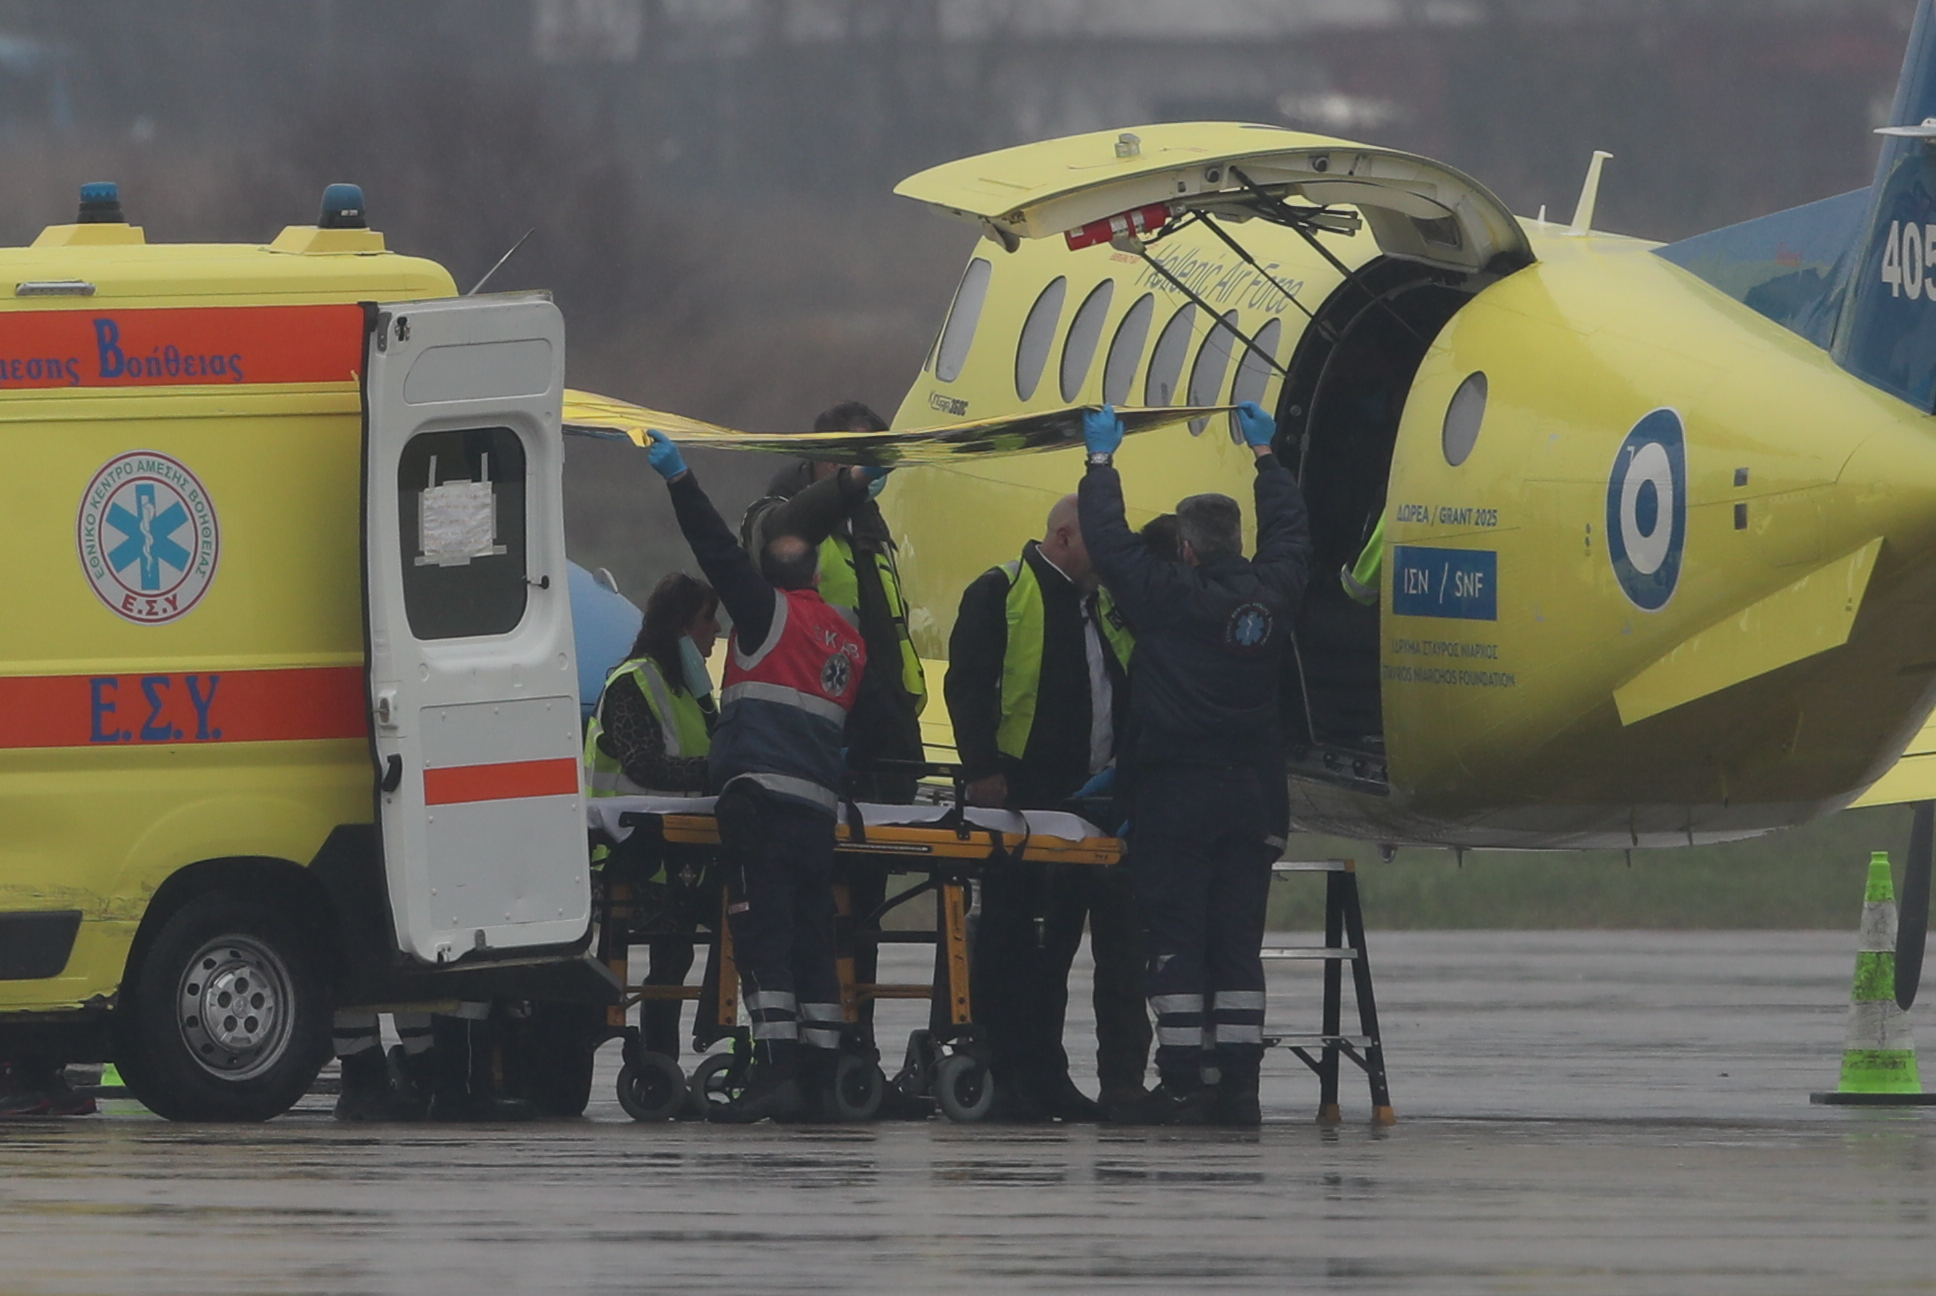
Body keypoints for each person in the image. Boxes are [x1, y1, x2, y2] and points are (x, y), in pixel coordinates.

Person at [1076, 399, 1312, 1127]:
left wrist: (1101, 464)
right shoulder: (1272, 596)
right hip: (1252, 801)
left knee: (1178, 945)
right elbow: (1292, 538)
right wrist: (1267, 461)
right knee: (1237, 946)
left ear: (1184, 547)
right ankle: (1237, 1086)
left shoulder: (1168, 600)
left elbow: (1109, 545)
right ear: (1235, 541)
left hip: (1178, 802)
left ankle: (1184, 1081)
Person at [646, 427, 869, 1123]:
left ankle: (776, 1070)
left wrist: (680, 478)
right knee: (812, 942)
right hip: (814, 814)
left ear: (770, 571)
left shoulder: (764, 611)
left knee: (763, 940)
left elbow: (713, 545)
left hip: (760, 808)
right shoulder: (849, 638)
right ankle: (823, 1073)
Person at [945, 494, 1150, 1122]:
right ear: (1062, 537)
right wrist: (982, 769)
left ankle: (1052, 1075)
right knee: (1013, 944)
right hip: (1023, 803)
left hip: (1092, 806)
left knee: (1064, 946)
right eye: (1098, 540)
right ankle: (1008, 1073)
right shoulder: (1004, 592)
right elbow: (969, 683)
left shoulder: (1104, 605)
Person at [741, 400, 924, 1073]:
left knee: (865, 911)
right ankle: (800, 1052)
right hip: (819, 746)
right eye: (852, 461)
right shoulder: (782, 515)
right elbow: (775, 541)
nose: (862, 476)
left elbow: (888, 635)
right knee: (811, 909)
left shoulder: (872, 530)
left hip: (884, 743)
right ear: (820, 459)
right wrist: (842, 488)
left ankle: (858, 1037)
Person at [584, 572, 721, 1061]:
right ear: (683, 626)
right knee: (670, 949)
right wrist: (717, 770)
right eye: (709, 620)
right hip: (628, 854)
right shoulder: (633, 682)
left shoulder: (693, 693)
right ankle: (643, 1052)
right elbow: (644, 764)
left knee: (684, 950)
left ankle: (671, 1051)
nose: (716, 631)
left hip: (680, 849)